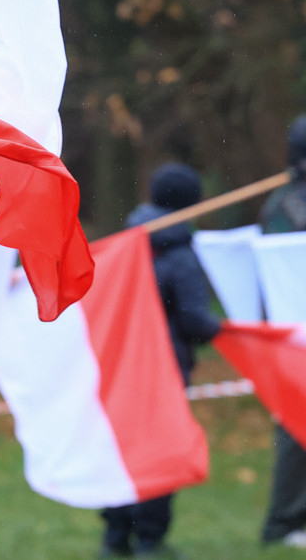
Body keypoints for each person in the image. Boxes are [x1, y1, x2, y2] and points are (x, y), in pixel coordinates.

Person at [99, 162, 221, 558]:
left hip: (122, 363)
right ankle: (149, 537)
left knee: (125, 447)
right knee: (160, 448)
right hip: (165, 367)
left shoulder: (127, 240)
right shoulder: (181, 253)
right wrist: (225, 329)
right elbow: (195, 321)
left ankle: (115, 533)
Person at [259, 114, 306, 550]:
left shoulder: (280, 200)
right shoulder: (288, 205)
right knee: (297, 427)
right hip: (294, 336)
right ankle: (285, 521)